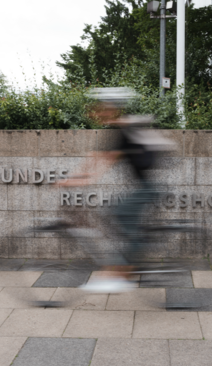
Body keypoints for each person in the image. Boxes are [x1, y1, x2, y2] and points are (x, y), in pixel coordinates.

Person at [62, 87, 174, 293]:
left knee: (118, 214)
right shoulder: (121, 129)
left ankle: (122, 273)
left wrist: (76, 181)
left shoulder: (125, 129)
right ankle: (125, 267)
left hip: (147, 188)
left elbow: (104, 162)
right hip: (144, 187)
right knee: (120, 220)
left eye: (103, 108)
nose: (98, 112)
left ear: (113, 109)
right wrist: (74, 177)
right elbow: (96, 157)